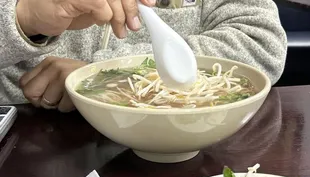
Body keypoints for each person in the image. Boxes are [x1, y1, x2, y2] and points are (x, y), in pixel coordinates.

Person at [0, 0, 287, 112]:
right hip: (29, 132)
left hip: (190, 137)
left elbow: (260, 42)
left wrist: (99, 74)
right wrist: (22, 18)